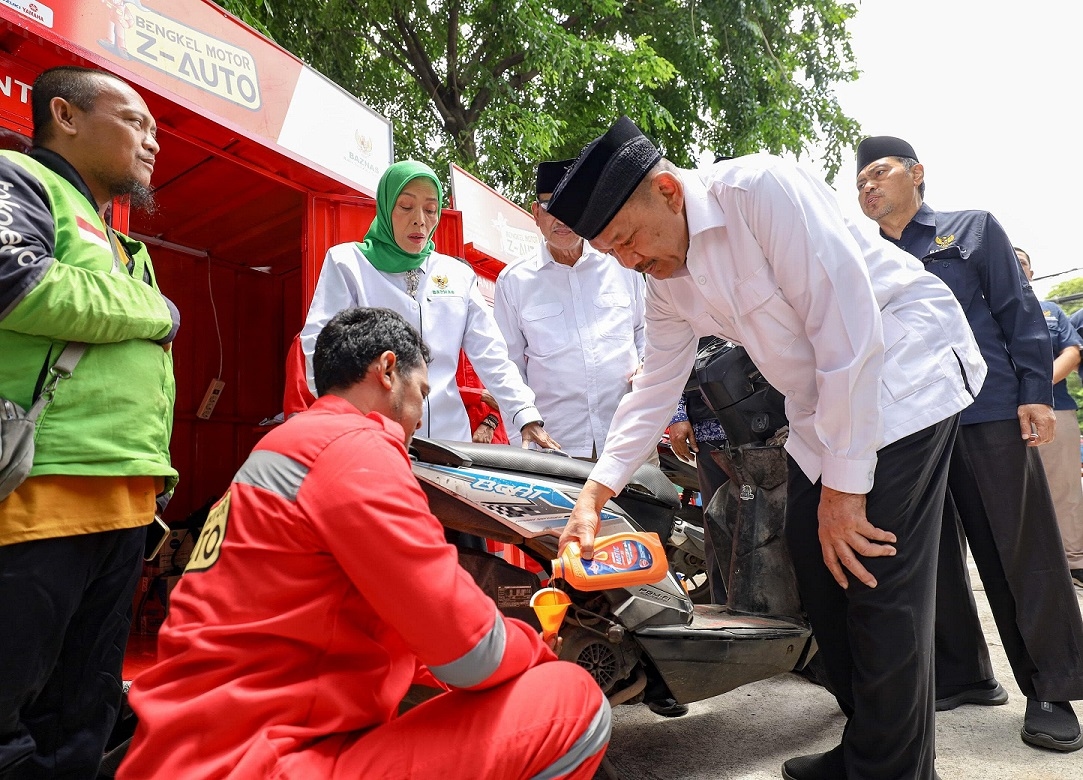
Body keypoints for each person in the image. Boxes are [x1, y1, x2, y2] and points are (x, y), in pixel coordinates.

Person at [548, 116, 986, 780]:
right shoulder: (665, 280)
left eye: (628, 240)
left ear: (667, 191)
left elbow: (849, 331)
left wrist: (843, 491)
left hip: (900, 368)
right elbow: (654, 383)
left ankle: (892, 771)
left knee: (872, 575)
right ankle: (864, 747)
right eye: (613, 254)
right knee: (814, 564)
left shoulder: (759, 191)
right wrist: (594, 491)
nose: (630, 262)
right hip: (820, 400)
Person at [119, 307, 610, 780]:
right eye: (422, 392)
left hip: (196, 744)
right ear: (388, 371)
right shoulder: (357, 449)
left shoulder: (283, 447)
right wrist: (536, 649)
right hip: (264, 757)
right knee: (570, 701)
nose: (420, 416)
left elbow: (365, 621)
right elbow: (471, 652)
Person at [856, 136, 1083, 752]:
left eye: (879, 173)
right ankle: (964, 675)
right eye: (860, 183)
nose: (868, 187)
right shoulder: (864, 256)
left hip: (985, 410)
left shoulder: (971, 229)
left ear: (916, 173)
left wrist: (1034, 389)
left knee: (1019, 546)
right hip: (908, 423)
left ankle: (1052, 687)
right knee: (928, 558)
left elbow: (1016, 309)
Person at [0, 66, 178, 777]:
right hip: (39, 497)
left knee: (85, 713)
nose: (152, 143)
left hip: (123, 504)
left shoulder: (121, 244)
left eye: (156, 131)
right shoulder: (17, 177)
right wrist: (160, 312)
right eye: (135, 122)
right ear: (65, 116)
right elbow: (17, 284)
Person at [299, 160, 557, 449]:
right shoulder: (349, 264)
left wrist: (525, 413)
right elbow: (319, 347)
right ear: (385, 207)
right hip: (373, 438)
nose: (420, 220)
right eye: (406, 207)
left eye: (431, 210)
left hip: (450, 443)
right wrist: (342, 416)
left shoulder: (457, 275)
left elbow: (492, 354)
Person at [494, 159, 645, 456]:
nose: (562, 219)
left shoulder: (621, 265)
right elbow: (508, 365)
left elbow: (646, 332)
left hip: (628, 437)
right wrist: (524, 423)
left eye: (572, 205)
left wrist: (645, 368)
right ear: (536, 213)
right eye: (552, 207)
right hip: (556, 444)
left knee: (638, 505)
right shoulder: (514, 282)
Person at [1018, 247, 1083, 590]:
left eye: (1023, 261)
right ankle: (1030, 568)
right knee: (1014, 494)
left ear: (1032, 272)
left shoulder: (1052, 311)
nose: (1017, 266)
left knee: (1066, 489)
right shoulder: (985, 311)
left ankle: (1074, 562)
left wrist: (1036, 388)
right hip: (1002, 416)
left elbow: (1072, 352)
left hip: (1056, 407)